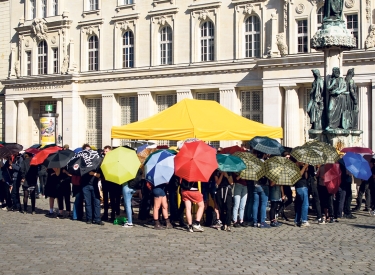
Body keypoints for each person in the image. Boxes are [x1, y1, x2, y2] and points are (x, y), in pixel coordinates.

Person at [251, 151, 270, 228]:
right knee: (263, 204)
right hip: (263, 185)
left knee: (255, 204)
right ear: (264, 154)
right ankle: (262, 221)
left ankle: (255, 221)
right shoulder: (264, 163)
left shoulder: (254, 163)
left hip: (255, 185)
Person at [291, 157, 310, 227]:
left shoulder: (301, 167)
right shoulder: (295, 167)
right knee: (305, 204)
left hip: (303, 186)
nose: (303, 162)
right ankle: (304, 220)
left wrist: (305, 170)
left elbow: (306, 177)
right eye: (302, 161)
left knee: (299, 205)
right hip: (301, 187)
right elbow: (298, 175)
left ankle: (297, 220)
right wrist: (304, 167)